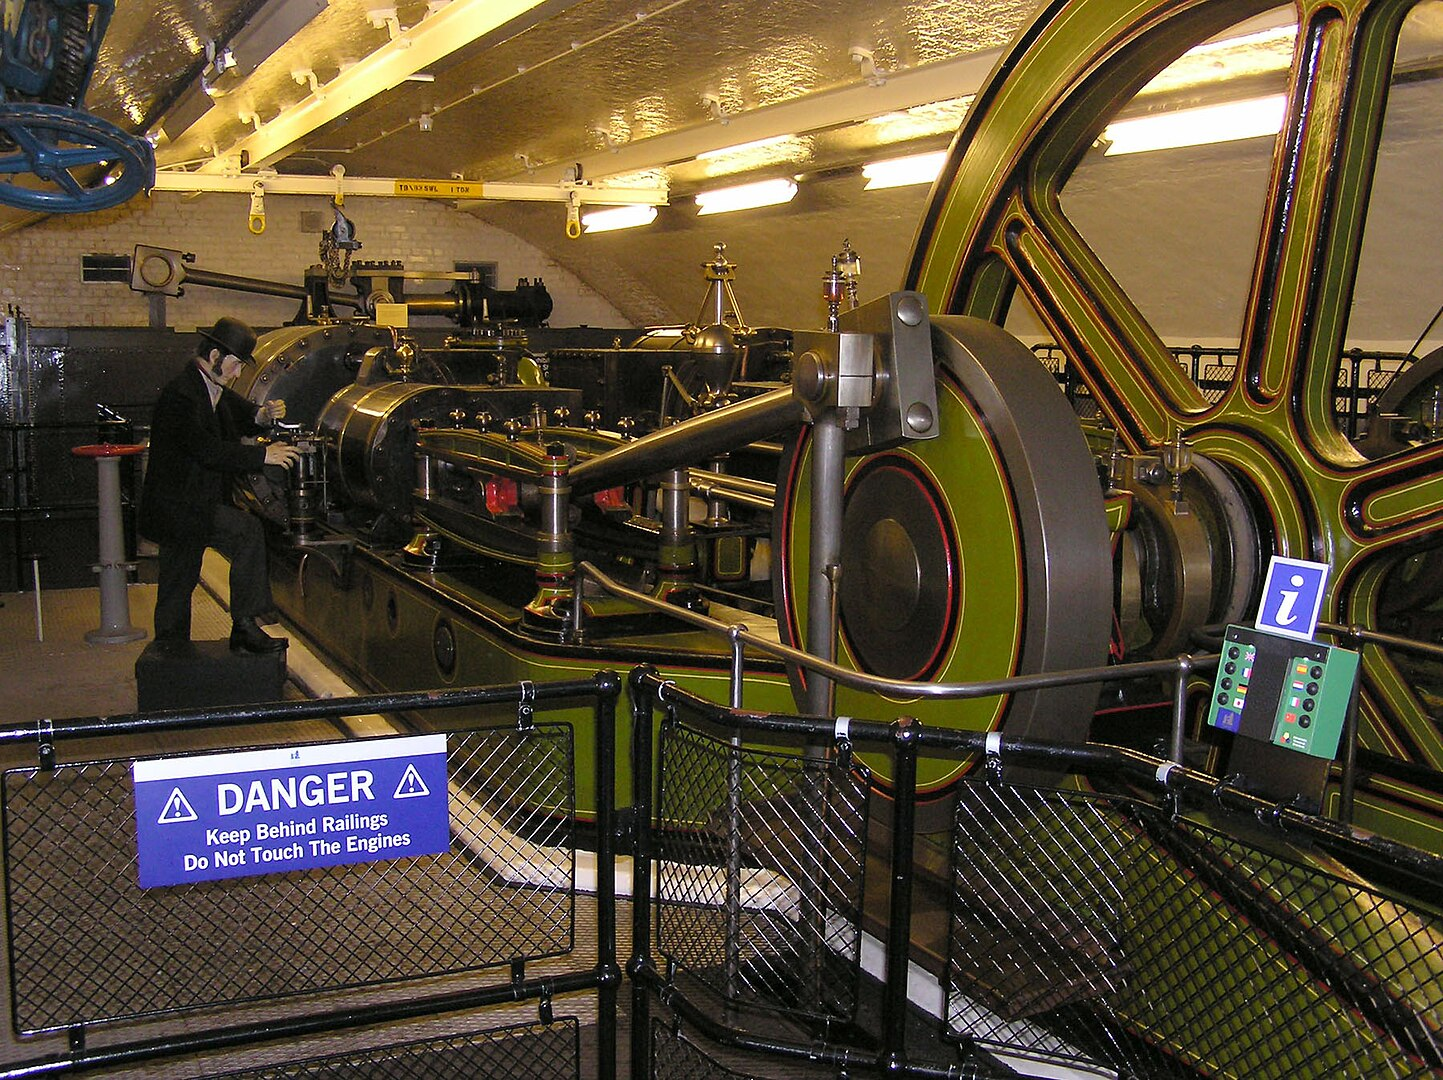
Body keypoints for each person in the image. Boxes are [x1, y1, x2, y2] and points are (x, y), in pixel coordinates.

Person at [140, 317, 301, 654]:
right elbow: (207, 450)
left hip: (193, 506)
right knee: (183, 577)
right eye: (235, 365)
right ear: (215, 356)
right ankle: (181, 650)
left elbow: (238, 412)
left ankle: (208, 638)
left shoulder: (209, 390)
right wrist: (262, 456)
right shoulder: (181, 396)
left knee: (184, 576)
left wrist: (263, 414)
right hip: (179, 508)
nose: (238, 374)